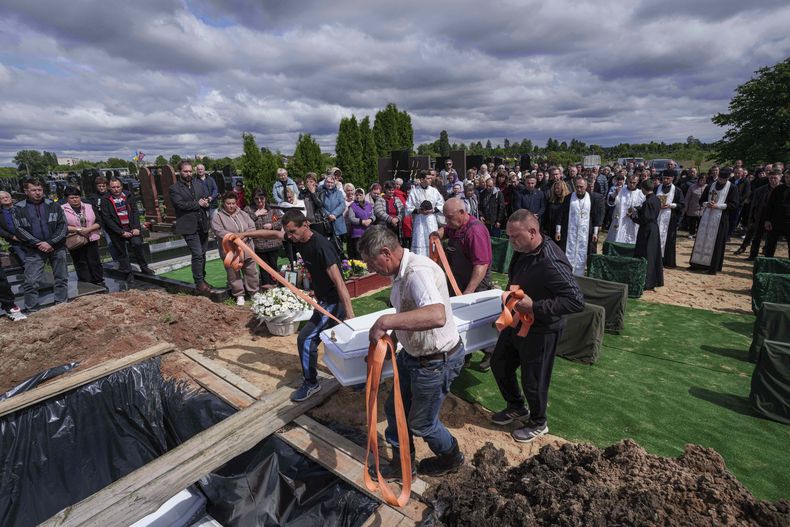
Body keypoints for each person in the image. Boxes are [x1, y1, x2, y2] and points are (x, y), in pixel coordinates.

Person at [360, 225, 465, 476]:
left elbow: (436, 315)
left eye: (371, 263)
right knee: (394, 410)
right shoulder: (399, 273)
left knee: (422, 423)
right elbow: (408, 314)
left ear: (386, 252)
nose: (370, 269)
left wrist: (385, 323)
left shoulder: (417, 272)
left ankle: (452, 457)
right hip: (413, 357)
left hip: (435, 363)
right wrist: (394, 341)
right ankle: (401, 465)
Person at [490, 210, 584, 442]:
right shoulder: (524, 249)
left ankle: (538, 422)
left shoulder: (550, 260)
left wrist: (536, 306)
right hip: (517, 321)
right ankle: (516, 406)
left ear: (533, 232)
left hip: (542, 328)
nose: (511, 242)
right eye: (509, 237)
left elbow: (575, 300)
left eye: (515, 237)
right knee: (499, 362)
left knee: (534, 379)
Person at [242, 210, 354, 402]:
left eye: (293, 231)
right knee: (340, 340)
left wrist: (351, 315)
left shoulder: (322, 247)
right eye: (288, 232)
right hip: (323, 299)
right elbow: (274, 234)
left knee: (306, 339)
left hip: (333, 303)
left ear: (305, 225)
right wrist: (245, 235)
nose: (290, 236)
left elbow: (340, 283)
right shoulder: (297, 238)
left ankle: (311, 383)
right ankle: (355, 376)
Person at [437, 197, 495, 370]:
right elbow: (446, 230)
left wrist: (469, 292)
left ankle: (490, 352)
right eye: (445, 218)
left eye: (449, 217)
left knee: (477, 320)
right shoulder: (456, 225)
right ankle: (465, 354)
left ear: (462, 213)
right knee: (458, 321)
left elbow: (481, 265)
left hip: (475, 283)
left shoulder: (475, 231)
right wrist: (437, 234)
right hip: (458, 280)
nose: (447, 221)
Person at [12, 177, 69, 311]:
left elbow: (63, 226)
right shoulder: (18, 208)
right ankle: (32, 309)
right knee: (31, 282)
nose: (37, 193)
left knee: (61, 277)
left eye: (40, 189)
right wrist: (38, 243)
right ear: (26, 191)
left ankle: (61, 305)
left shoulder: (53, 205)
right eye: (33, 190)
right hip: (34, 249)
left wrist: (50, 242)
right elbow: (19, 229)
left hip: (56, 246)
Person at [169, 160, 211, 291]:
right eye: (185, 171)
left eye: (189, 171)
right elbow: (180, 205)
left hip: (202, 223)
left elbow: (203, 198)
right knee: (197, 254)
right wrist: (198, 204)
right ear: (179, 172)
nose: (188, 173)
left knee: (203, 254)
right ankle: (199, 282)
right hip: (188, 226)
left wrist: (206, 202)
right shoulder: (174, 188)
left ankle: (203, 279)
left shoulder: (198, 184)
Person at [212, 192, 260, 305]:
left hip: (246, 247)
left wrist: (244, 236)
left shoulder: (243, 213)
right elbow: (219, 231)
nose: (231, 206)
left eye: (233, 203)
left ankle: (253, 292)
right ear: (223, 203)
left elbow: (252, 226)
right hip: (230, 250)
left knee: (251, 271)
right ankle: (239, 295)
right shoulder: (218, 217)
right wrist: (234, 238)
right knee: (233, 274)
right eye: (228, 203)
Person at [101, 178, 154, 277]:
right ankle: (127, 271)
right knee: (121, 251)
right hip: (117, 229)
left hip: (131, 227)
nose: (116, 189)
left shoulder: (128, 195)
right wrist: (120, 232)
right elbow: (107, 218)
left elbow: (135, 211)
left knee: (137, 244)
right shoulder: (105, 199)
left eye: (118, 187)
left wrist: (136, 227)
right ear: (109, 188)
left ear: (121, 187)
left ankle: (144, 267)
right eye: (113, 187)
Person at [690, 168, 739, 274]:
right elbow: (701, 200)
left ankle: (712, 267)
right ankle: (697, 264)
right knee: (701, 239)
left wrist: (718, 206)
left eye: (723, 179)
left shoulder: (732, 188)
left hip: (720, 218)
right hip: (707, 216)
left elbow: (734, 204)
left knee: (716, 242)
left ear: (727, 178)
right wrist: (706, 204)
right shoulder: (711, 185)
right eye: (720, 178)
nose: (720, 181)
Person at [556, 177, 604, 276]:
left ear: (586, 186)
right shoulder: (568, 198)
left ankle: (579, 275)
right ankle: (567, 273)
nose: (579, 189)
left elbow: (595, 216)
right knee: (568, 252)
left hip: (585, 232)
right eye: (577, 187)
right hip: (570, 232)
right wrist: (558, 230)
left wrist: (595, 233)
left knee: (583, 253)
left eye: (581, 187)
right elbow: (561, 214)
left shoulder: (591, 198)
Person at [61, 187, 104, 286]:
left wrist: (89, 229)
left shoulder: (89, 206)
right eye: (72, 198)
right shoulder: (62, 209)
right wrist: (78, 229)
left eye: (77, 197)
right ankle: (86, 282)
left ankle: (98, 279)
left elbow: (99, 221)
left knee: (94, 260)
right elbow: (62, 226)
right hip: (75, 239)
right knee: (80, 261)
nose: (75, 200)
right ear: (67, 198)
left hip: (91, 236)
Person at [736, 170, 780, 260]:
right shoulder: (760, 190)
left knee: (771, 240)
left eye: (775, 178)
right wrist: (751, 218)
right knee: (756, 238)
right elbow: (754, 205)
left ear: (780, 177)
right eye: (771, 178)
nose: (773, 180)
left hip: (775, 219)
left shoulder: (783, 190)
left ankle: (768, 258)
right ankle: (752, 256)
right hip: (760, 217)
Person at [244, 190, 282, 288]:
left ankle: (276, 285)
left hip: (273, 242)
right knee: (263, 267)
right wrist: (255, 215)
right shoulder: (248, 209)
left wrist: (272, 225)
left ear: (265, 198)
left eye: (262, 198)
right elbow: (244, 223)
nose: (259, 201)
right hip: (258, 244)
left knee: (273, 265)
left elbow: (282, 220)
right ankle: (266, 287)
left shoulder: (273, 208)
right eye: (256, 199)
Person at [631, 180, 663, 290]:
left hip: (647, 230)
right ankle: (653, 281)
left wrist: (633, 218)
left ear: (644, 189)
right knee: (653, 255)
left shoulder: (648, 201)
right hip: (654, 229)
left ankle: (646, 282)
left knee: (646, 254)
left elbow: (645, 219)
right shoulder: (656, 199)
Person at [406, 170, 445, 256]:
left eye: (431, 178)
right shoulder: (414, 191)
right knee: (420, 241)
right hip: (419, 220)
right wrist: (419, 211)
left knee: (432, 238)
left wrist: (433, 210)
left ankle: (434, 259)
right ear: (422, 179)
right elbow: (408, 207)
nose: (430, 180)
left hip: (431, 219)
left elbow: (441, 204)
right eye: (428, 178)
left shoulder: (434, 191)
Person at [655, 170, 685, 268]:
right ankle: (655, 259)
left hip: (670, 218)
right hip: (657, 217)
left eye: (668, 178)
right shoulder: (657, 188)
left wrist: (670, 205)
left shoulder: (677, 190)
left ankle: (668, 261)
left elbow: (681, 205)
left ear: (672, 178)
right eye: (664, 178)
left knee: (669, 240)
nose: (666, 180)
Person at [607, 174, 644, 244]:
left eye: (634, 183)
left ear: (638, 182)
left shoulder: (640, 193)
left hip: (633, 221)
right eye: (630, 182)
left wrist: (635, 210)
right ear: (627, 181)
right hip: (620, 219)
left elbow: (642, 207)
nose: (632, 184)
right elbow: (611, 202)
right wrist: (615, 193)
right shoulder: (621, 190)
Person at [763, 169, 790, 258]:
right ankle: (767, 263)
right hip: (775, 221)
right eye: (787, 177)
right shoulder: (778, 189)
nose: (788, 179)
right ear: (784, 177)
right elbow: (770, 205)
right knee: (770, 244)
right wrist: (767, 220)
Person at [321, 175, 347, 253]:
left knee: (339, 247)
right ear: (325, 182)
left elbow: (342, 205)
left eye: (332, 182)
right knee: (328, 246)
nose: (330, 184)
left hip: (338, 221)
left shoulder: (339, 193)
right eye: (328, 182)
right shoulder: (320, 192)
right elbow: (320, 206)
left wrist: (334, 214)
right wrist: (328, 215)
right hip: (326, 222)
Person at [346, 188, 374, 259]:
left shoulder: (369, 205)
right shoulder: (352, 206)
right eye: (356, 195)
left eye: (360, 195)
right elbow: (351, 218)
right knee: (358, 251)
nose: (358, 197)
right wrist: (362, 221)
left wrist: (370, 220)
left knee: (367, 250)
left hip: (367, 231)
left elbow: (373, 215)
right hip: (357, 233)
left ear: (363, 195)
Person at [0, 190, 26, 266]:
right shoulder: (1, 213)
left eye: (6, 197)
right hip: (15, 241)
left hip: (29, 239)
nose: (5, 199)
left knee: (36, 261)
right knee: (25, 262)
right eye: (2, 198)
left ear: (11, 198)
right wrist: (11, 236)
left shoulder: (21, 208)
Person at [684, 173, 708, 238]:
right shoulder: (692, 187)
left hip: (703, 208)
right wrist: (686, 207)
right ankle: (691, 233)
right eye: (701, 180)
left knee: (701, 222)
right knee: (692, 222)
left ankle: (699, 233)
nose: (702, 181)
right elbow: (687, 198)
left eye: (704, 180)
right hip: (693, 207)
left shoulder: (707, 187)